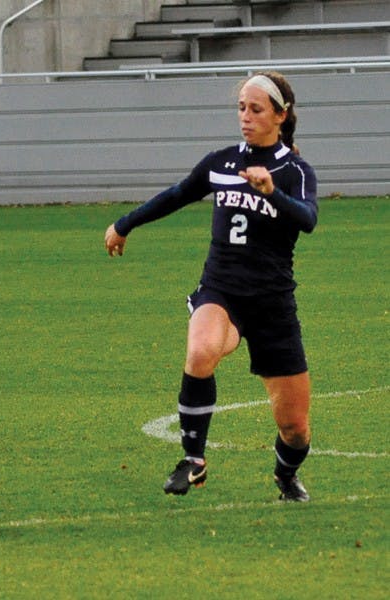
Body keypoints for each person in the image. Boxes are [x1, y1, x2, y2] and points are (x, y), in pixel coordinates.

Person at [104, 71, 318, 501]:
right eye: (241, 107)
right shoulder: (221, 163)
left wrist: (272, 192)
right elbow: (177, 194)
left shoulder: (295, 171)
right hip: (221, 289)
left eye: (256, 109)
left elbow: (308, 219)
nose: (245, 117)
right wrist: (124, 224)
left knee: (295, 429)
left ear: (281, 115)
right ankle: (194, 460)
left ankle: (285, 476)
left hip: (273, 304)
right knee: (201, 350)